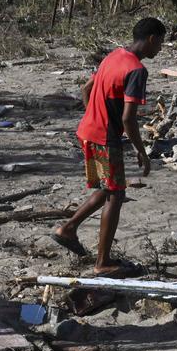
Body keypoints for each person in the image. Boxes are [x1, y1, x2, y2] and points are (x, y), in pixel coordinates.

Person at [51, 17, 165, 277]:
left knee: (108, 186)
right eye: (160, 42)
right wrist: (141, 150)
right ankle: (103, 263)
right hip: (104, 138)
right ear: (151, 39)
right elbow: (128, 118)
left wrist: (93, 113)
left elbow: (86, 88)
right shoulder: (137, 70)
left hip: (87, 132)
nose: (160, 48)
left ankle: (67, 229)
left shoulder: (113, 56)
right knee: (116, 195)